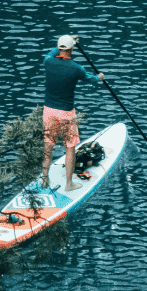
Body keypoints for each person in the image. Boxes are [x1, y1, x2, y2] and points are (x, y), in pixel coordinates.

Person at [42, 34, 104, 191]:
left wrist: (65, 42)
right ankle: (68, 184)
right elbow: (91, 79)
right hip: (66, 113)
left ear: (59, 48)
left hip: (48, 111)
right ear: (72, 49)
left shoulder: (48, 62)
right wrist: (100, 78)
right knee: (70, 147)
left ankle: (44, 179)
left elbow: (52, 52)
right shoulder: (77, 69)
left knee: (48, 146)